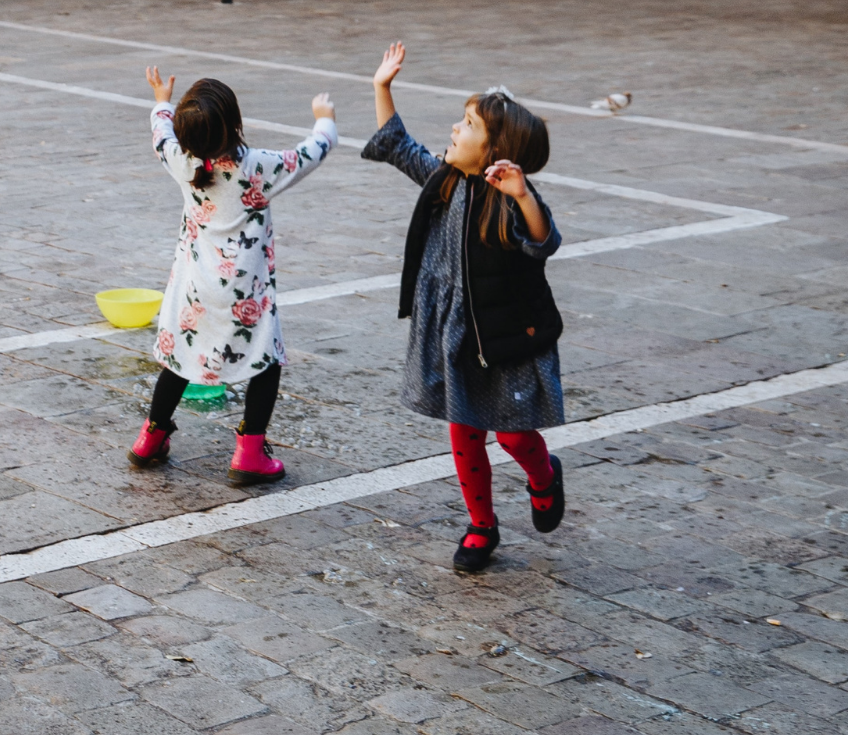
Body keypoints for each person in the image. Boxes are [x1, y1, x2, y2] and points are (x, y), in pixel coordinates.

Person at [362, 42, 565, 573]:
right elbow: (399, 145)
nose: (455, 128)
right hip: (456, 331)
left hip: (503, 335)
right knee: (464, 427)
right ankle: (482, 524)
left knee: (514, 432)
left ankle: (544, 476)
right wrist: (383, 87)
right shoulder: (445, 180)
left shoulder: (510, 200)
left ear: (496, 147)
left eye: (467, 123)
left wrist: (523, 195)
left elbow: (545, 241)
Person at [128, 69, 337, 484]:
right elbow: (312, 152)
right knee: (265, 360)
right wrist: (324, 117)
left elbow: (160, 133)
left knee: (178, 359)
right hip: (247, 294)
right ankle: (249, 452)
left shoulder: (182, 162)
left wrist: (161, 99)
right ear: (235, 125)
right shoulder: (257, 166)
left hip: (192, 289)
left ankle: (150, 438)